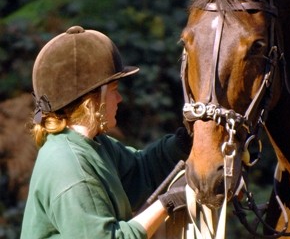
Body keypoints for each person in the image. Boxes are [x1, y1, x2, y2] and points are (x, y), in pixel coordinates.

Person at [20, 25, 192, 239]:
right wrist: (167, 203)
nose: (119, 99)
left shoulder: (93, 144)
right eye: (114, 90)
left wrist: (184, 143)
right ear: (91, 101)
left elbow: (140, 172)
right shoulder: (69, 167)